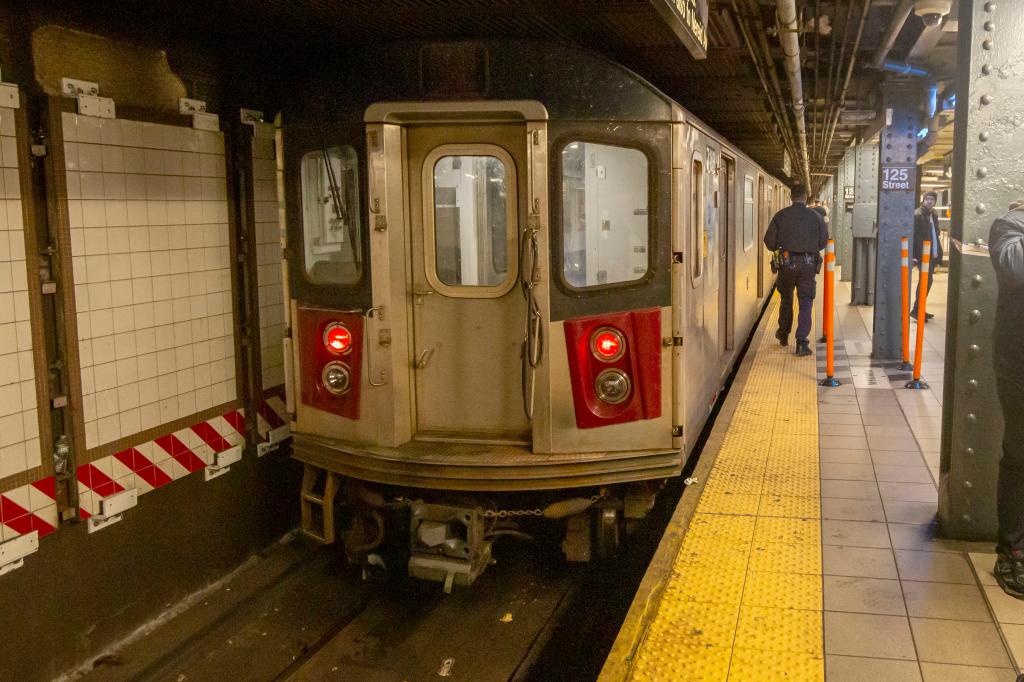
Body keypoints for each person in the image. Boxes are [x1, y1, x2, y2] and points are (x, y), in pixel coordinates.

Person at [990, 201, 1024, 599]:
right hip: (1019, 365)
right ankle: (1013, 549)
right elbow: (1014, 267)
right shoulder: (1011, 224)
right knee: (1019, 455)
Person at [763, 185, 829, 356]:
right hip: (808, 265)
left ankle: (783, 335)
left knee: (786, 299)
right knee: (806, 302)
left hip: (787, 264)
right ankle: (801, 343)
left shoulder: (781, 215)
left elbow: (769, 242)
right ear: (806, 198)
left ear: (791, 196)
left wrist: (782, 245)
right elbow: (822, 242)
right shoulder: (816, 217)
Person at [911, 191, 943, 321]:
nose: (929, 201)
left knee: (927, 282)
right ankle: (916, 310)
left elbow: (935, 234)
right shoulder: (917, 215)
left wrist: (938, 254)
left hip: (931, 254)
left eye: (932, 199)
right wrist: (913, 255)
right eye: (927, 199)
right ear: (923, 200)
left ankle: (919, 309)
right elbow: (913, 236)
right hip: (922, 254)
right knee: (925, 282)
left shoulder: (933, 214)